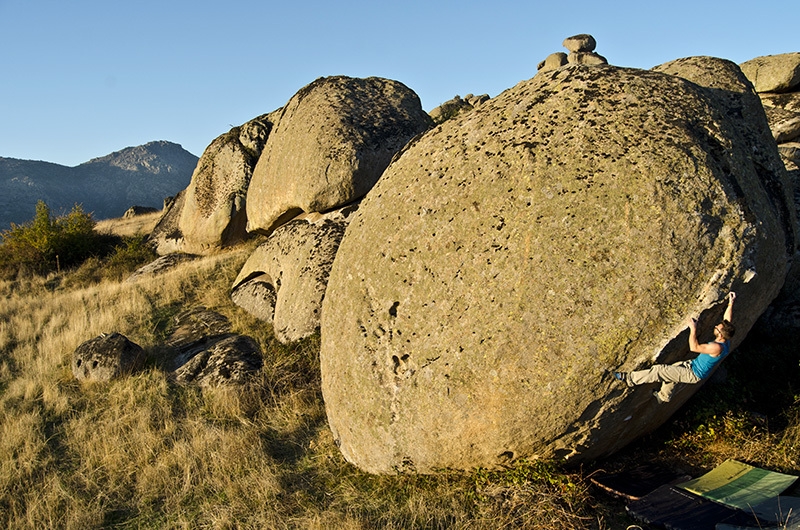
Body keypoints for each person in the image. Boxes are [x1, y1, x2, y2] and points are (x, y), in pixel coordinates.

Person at [614, 292, 736, 404]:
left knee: (659, 371)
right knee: (672, 373)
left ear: (720, 334)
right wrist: (731, 303)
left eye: (717, 328)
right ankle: (663, 396)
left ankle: (630, 379)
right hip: (693, 366)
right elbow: (727, 321)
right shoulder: (726, 338)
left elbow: (694, 347)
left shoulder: (716, 347)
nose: (715, 326)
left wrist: (693, 329)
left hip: (693, 373)